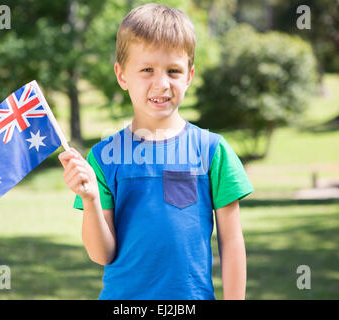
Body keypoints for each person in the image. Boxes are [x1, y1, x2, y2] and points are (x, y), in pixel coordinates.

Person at [58, 3, 254, 300]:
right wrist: (90, 200)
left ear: (189, 75)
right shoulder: (103, 158)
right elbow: (102, 255)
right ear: (122, 75)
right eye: (147, 69)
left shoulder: (213, 151)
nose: (161, 83)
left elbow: (232, 242)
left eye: (173, 71)